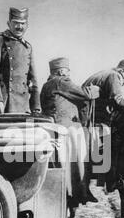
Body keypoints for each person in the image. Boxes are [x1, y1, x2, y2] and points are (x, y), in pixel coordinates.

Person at [82, 59, 124, 192]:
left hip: (89, 112)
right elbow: (118, 99)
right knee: (110, 141)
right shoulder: (114, 76)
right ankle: (109, 179)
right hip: (91, 117)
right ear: (122, 71)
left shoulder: (105, 73)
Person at [40, 57, 100, 204]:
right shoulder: (61, 82)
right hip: (66, 129)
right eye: (67, 71)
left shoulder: (46, 85)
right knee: (76, 162)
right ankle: (77, 195)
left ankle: (71, 196)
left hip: (54, 127)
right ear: (61, 71)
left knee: (63, 164)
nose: (68, 74)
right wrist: (95, 89)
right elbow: (85, 94)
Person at [0, 7, 40, 114]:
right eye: (16, 23)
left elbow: (33, 79)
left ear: (27, 26)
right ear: (8, 23)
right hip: (2, 103)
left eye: (23, 23)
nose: (19, 27)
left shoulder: (28, 47)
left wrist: (36, 105)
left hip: (22, 105)